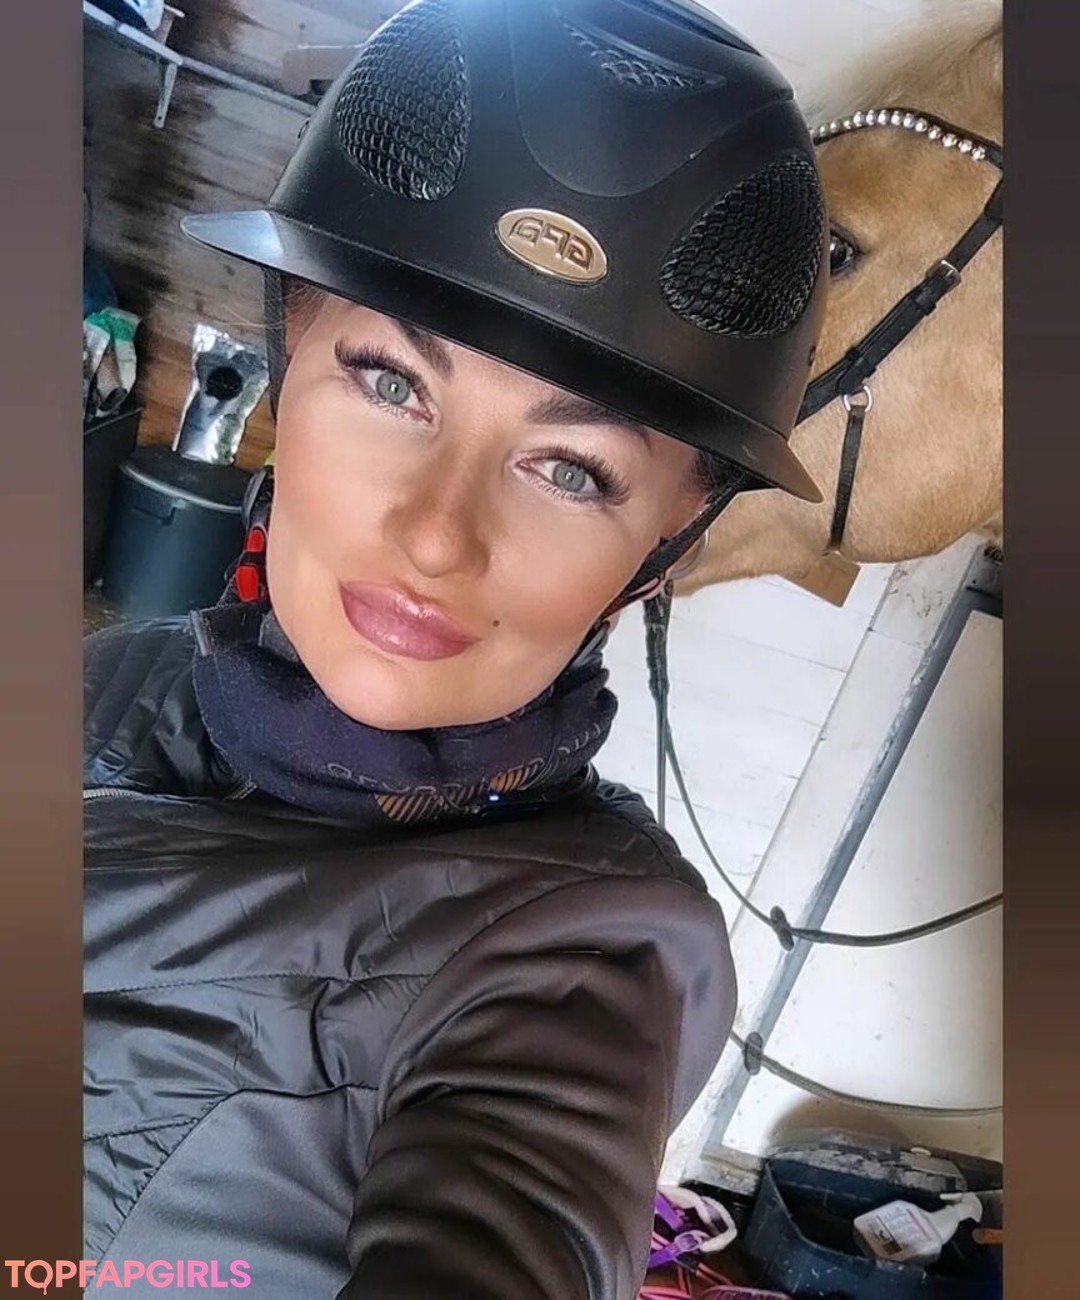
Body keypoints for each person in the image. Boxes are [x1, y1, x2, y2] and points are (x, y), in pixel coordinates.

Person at [83, 2, 828, 1296]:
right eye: (391, 384)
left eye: (571, 470)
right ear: (289, 350)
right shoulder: (110, 681)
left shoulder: (571, 980)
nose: (436, 536)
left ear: (667, 537)